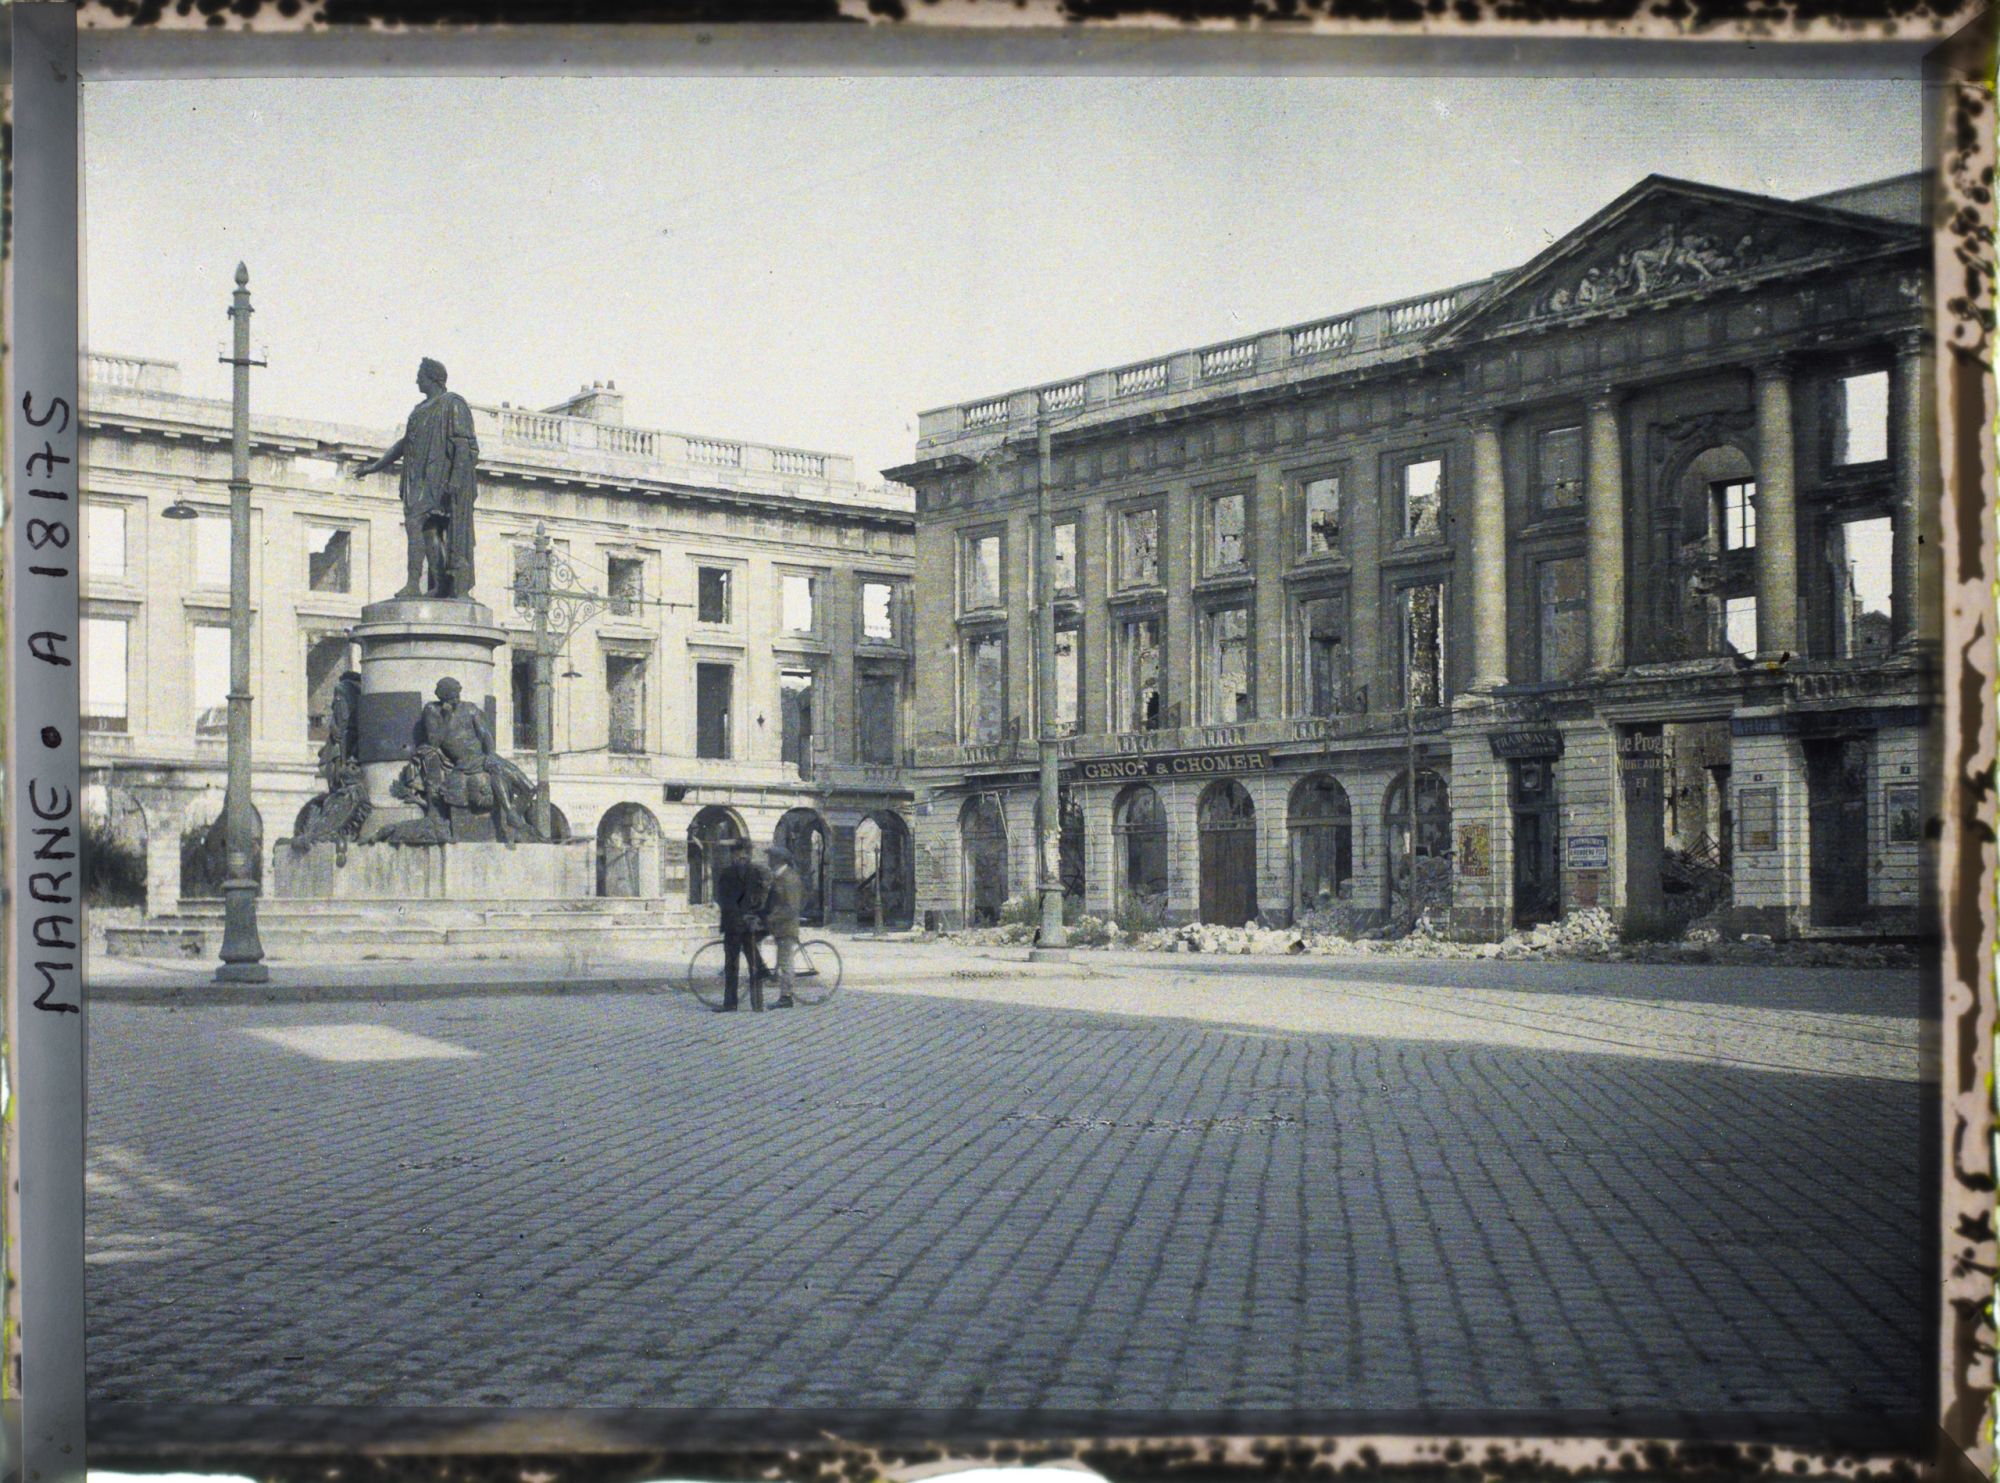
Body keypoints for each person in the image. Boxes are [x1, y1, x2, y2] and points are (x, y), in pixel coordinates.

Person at [351, 357, 480, 599]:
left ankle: (415, 583)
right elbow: (404, 444)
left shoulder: (453, 404)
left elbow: (463, 446)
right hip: (418, 480)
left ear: (433, 378)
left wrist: (454, 481)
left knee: (417, 526)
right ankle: (437, 584)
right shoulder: (419, 410)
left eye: (419, 376)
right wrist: (375, 466)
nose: (416, 381)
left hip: (438, 480)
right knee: (427, 532)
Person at [714, 839, 769, 1013]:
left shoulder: (727, 873)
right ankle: (757, 1004)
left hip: (733, 925)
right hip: (749, 924)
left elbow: (722, 899)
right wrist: (752, 914)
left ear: (734, 854)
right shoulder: (756, 872)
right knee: (754, 964)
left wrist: (738, 914)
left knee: (732, 966)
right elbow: (761, 897)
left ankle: (730, 1004)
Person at [761, 844, 805, 1009]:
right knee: (781, 959)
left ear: (779, 860)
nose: (768, 860)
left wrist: (771, 918)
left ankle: (786, 997)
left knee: (785, 961)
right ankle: (770, 975)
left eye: (771, 857)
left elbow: (791, 908)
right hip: (777, 924)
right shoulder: (778, 876)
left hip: (786, 926)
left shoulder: (789, 878)